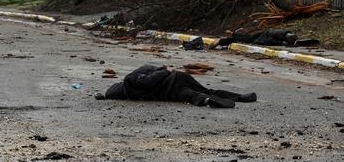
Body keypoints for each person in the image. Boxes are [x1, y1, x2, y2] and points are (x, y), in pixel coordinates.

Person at [100, 64, 257, 108]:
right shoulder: (134, 86)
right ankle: (241, 97)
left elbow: (150, 79)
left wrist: (162, 72)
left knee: (192, 95)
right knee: (204, 91)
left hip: (172, 86)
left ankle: (209, 101)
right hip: (176, 78)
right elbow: (158, 70)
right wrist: (163, 71)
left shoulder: (132, 79)